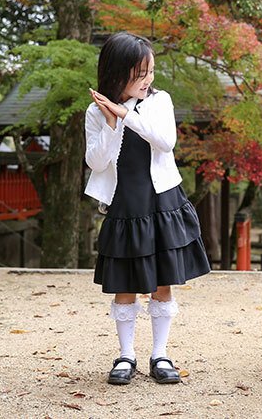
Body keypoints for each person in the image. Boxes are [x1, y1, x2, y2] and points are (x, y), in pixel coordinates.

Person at [84, 32, 210, 386]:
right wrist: (110, 122)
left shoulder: (160, 101)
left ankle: (160, 354)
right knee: (125, 283)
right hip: (125, 203)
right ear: (117, 72)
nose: (147, 80)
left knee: (162, 282)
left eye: (150, 71)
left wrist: (126, 114)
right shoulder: (95, 111)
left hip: (161, 201)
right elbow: (96, 162)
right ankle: (126, 356)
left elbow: (165, 141)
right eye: (139, 73)